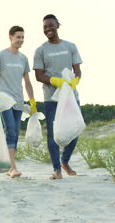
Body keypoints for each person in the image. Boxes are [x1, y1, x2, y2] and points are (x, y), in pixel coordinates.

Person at [33, 14, 83, 180]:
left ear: (57, 25)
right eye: (45, 27)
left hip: (70, 97)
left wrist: (75, 80)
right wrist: (54, 80)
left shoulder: (70, 46)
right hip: (51, 98)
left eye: (50, 25)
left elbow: (77, 69)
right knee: (53, 133)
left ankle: (65, 161)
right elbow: (39, 75)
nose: (48, 29)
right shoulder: (40, 50)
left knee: (75, 128)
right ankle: (57, 169)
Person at [0, 26, 37, 178]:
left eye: (23, 37)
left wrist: (32, 101)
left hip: (19, 100)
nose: (21, 40)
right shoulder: (1, 56)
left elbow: (28, 82)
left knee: (15, 133)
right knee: (10, 129)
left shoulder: (23, 58)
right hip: (5, 100)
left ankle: (9, 165)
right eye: (18, 37)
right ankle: (12, 167)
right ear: (10, 37)